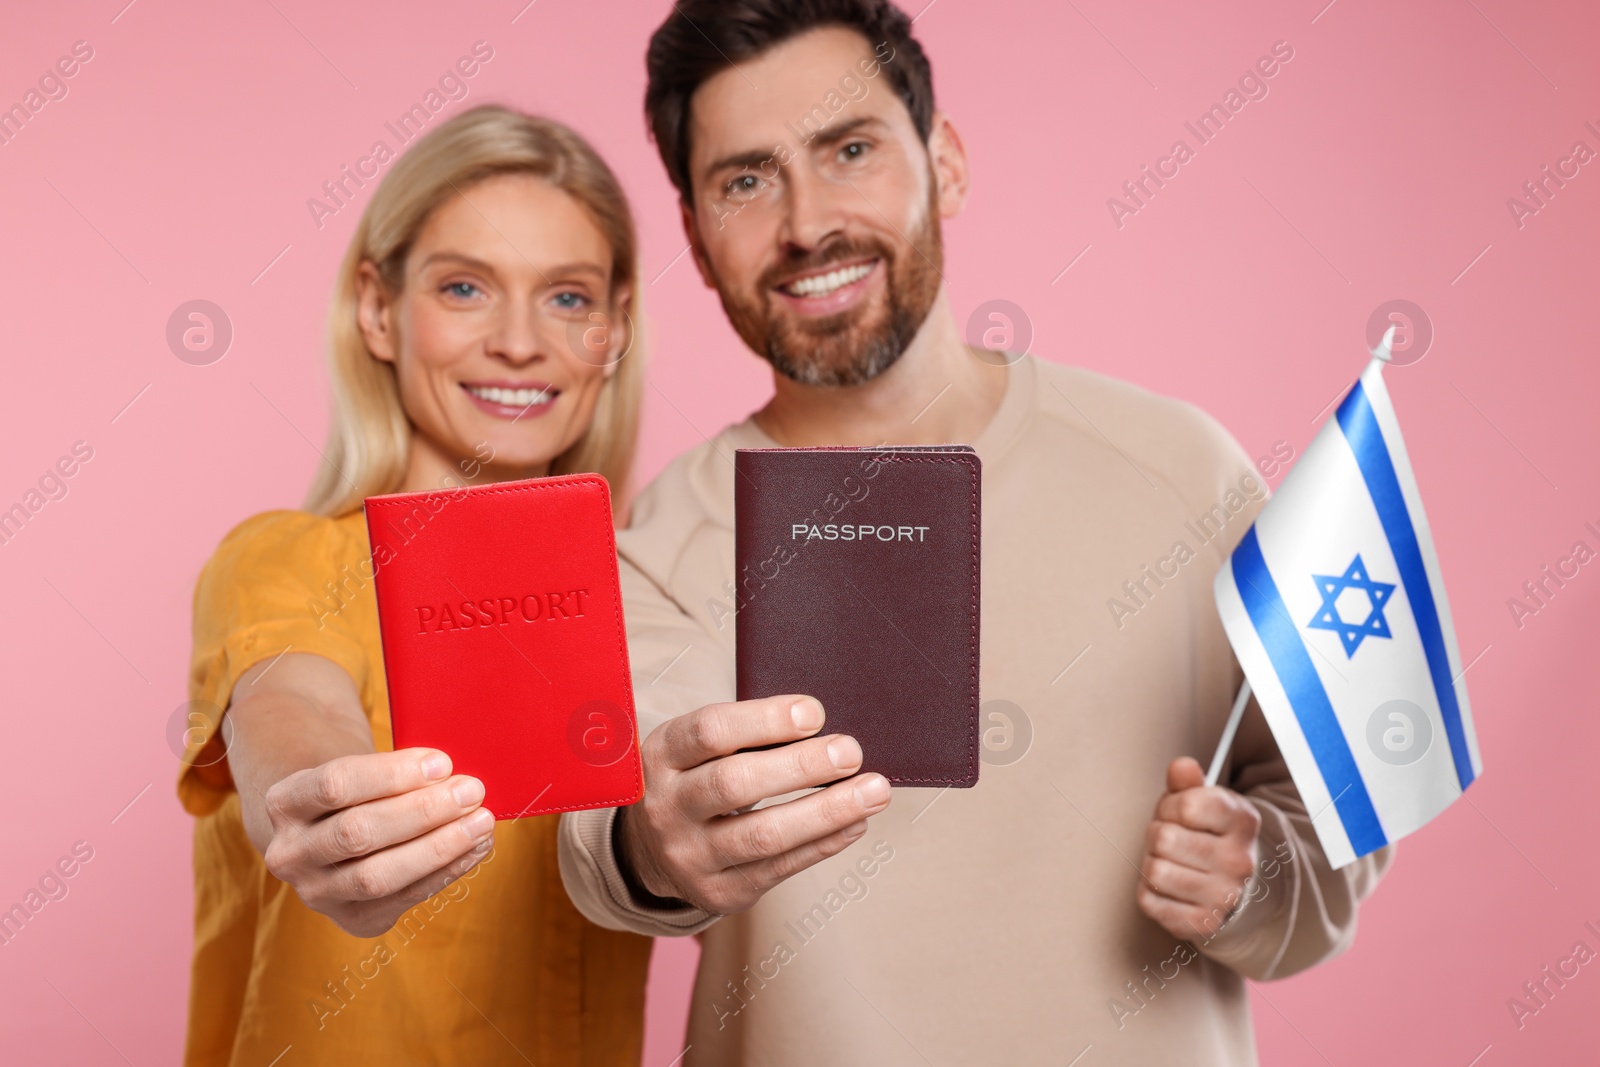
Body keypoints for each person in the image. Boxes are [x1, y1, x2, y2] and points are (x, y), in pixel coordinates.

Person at [558, 3, 1393, 1064]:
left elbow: (1335, 805)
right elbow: (606, 836)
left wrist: (1257, 871)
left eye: (849, 149)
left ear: (944, 162)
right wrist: (653, 847)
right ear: (694, 236)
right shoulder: (663, 536)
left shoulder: (1184, 470)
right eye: (745, 180)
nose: (806, 222)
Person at [179, 105, 653, 1065]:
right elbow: (290, 703)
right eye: (466, 287)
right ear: (378, 309)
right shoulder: (282, 558)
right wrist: (328, 811)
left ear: (614, 331)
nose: (520, 342)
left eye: (568, 298)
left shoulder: (650, 597)